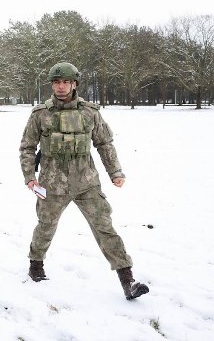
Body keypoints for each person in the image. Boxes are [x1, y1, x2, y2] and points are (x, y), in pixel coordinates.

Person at [19, 61, 150, 300]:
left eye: (65, 82)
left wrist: (115, 173)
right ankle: (35, 265)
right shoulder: (40, 114)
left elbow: (104, 143)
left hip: (86, 182)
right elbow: (27, 147)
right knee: (45, 226)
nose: (61, 86)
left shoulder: (90, 112)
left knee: (105, 229)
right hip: (51, 183)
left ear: (74, 83)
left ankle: (127, 280)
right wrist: (30, 177)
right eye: (56, 82)